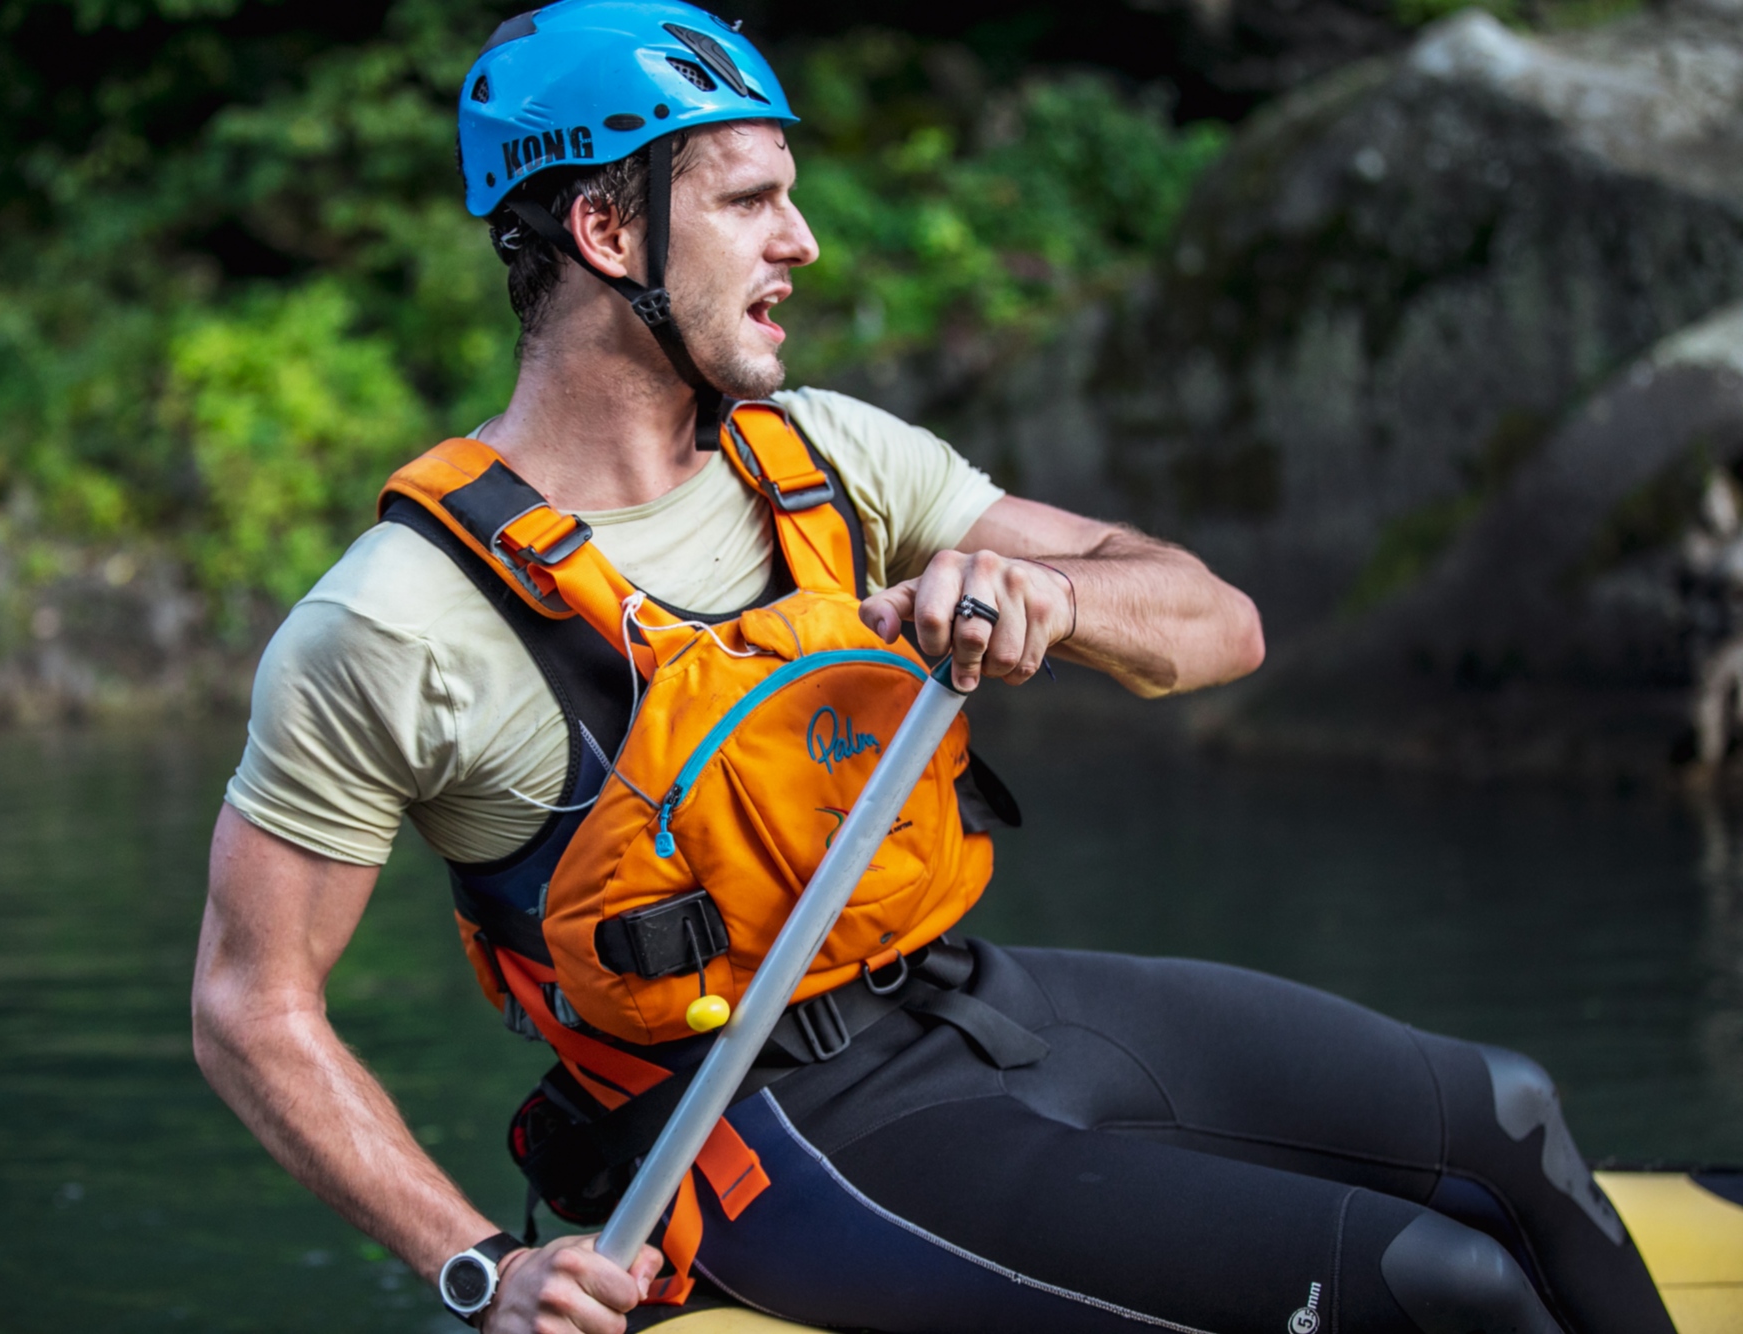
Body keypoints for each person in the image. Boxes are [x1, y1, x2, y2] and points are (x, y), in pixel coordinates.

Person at [190, 4, 1677, 1332]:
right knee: (1444, 1287)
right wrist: (477, 1264)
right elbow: (253, 1007)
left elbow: (1217, 624)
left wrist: (1046, 596)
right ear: (607, 232)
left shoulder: (831, 453)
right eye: (751, 199)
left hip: (974, 1003)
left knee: (1514, 1120)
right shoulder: (397, 618)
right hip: (772, 1136)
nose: (802, 241)